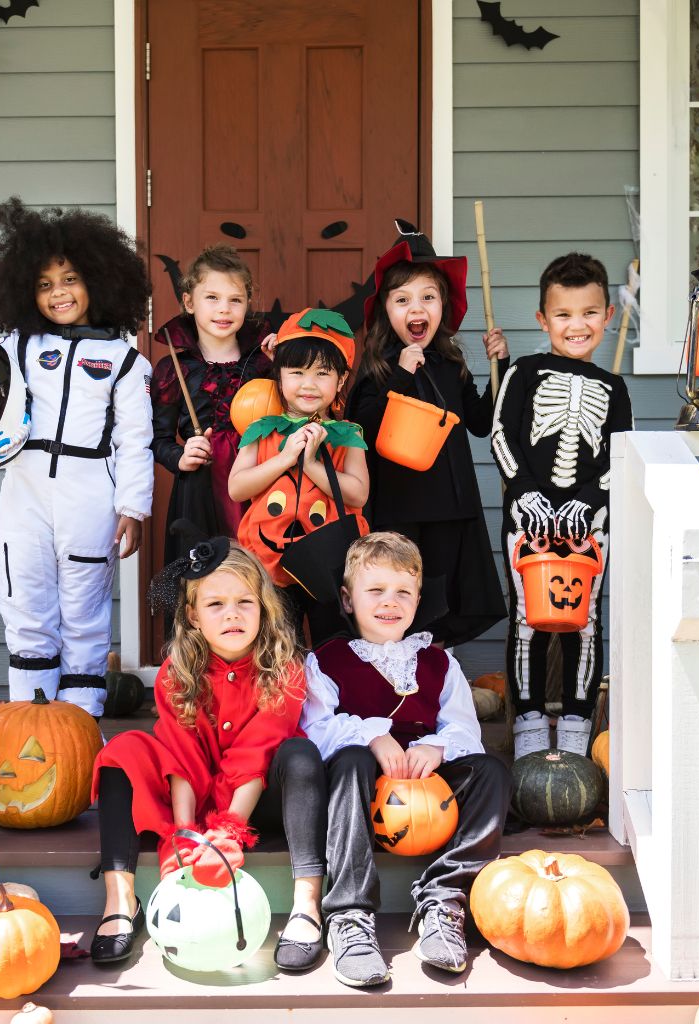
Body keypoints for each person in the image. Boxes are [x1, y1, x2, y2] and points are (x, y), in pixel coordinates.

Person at [90, 540, 328, 971]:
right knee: (124, 750)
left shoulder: (286, 668)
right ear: (194, 616)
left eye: (244, 602)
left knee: (300, 754)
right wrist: (184, 833)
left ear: (264, 608)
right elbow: (180, 758)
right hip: (194, 794)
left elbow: (256, 756)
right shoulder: (176, 671)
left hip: (257, 802)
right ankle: (120, 900)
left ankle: (307, 905)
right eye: (216, 603)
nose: (232, 613)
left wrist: (230, 830)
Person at [301, 532, 511, 986]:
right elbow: (315, 729)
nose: (389, 602)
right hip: (360, 789)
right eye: (375, 591)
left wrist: (436, 748)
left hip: (423, 782)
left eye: (403, 592)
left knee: (490, 771)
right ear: (347, 598)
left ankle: (444, 896)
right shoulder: (327, 661)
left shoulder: (438, 662)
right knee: (350, 759)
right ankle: (350, 914)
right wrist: (374, 736)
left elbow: (465, 731)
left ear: (418, 600)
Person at [0, 196, 154, 718]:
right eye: (44, 284)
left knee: (84, 608)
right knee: (25, 598)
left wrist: (134, 508)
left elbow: (134, 440)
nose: (59, 293)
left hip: (89, 492)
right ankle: (30, 714)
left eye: (71, 279)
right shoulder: (15, 347)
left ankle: (80, 720)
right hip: (26, 487)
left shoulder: (125, 360)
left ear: (100, 281)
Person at [491, 252, 633, 758]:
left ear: (607, 317)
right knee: (527, 620)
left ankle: (576, 725)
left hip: (589, 524)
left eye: (590, 313)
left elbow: (622, 456)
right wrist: (526, 490)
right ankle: (529, 724)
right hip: (527, 519)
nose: (578, 325)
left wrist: (589, 500)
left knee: (585, 621)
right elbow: (501, 436)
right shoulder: (524, 373)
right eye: (564, 315)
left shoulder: (614, 388)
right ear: (543, 320)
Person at [346, 223, 508, 648]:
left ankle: (436, 676)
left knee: (444, 604)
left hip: (452, 507)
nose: (416, 308)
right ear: (386, 310)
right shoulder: (379, 368)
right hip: (402, 510)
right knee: (404, 597)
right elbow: (363, 427)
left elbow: (480, 421)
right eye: (402, 300)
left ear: (442, 307)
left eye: (427, 297)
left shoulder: (450, 365)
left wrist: (499, 369)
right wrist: (401, 373)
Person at [230, 308, 369, 642]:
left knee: (334, 644)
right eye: (296, 372)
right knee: (279, 645)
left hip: (331, 563)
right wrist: (285, 458)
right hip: (270, 562)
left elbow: (358, 494)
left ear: (341, 380)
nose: (308, 385)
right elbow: (237, 487)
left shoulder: (347, 434)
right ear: (279, 376)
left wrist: (312, 465)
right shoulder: (262, 429)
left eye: (322, 374)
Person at [150, 244, 274, 557]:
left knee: (256, 569)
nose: (224, 309)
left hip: (256, 478)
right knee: (202, 574)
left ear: (247, 305)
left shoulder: (263, 363)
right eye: (212, 298)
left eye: (236, 300)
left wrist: (283, 364)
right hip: (199, 488)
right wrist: (180, 456)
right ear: (189, 302)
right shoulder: (173, 369)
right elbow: (157, 438)